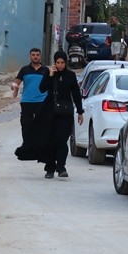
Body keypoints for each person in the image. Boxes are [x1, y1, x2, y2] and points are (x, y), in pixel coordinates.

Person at [38, 50, 84, 178]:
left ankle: (61, 167)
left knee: (62, 140)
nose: (60, 65)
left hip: (65, 113)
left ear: (66, 62)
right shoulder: (49, 73)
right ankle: (50, 168)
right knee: (50, 140)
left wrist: (80, 111)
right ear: (54, 63)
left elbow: (76, 94)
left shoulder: (70, 75)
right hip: (50, 112)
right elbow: (42, 89)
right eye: (57, 62)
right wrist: (50, 75)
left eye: (62, 62)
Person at [11, 47, 48, 159]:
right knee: (26, 124)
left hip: (42, 101)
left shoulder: (46, 70)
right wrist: (14, 86)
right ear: (30, 56)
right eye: (33, 55)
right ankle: (27, 147)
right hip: (27, 101)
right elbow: (15, 83)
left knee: (42, 125)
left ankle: (41, 148)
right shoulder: (24, 70)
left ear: (40, 56)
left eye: (37, 55)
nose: (35, 57)